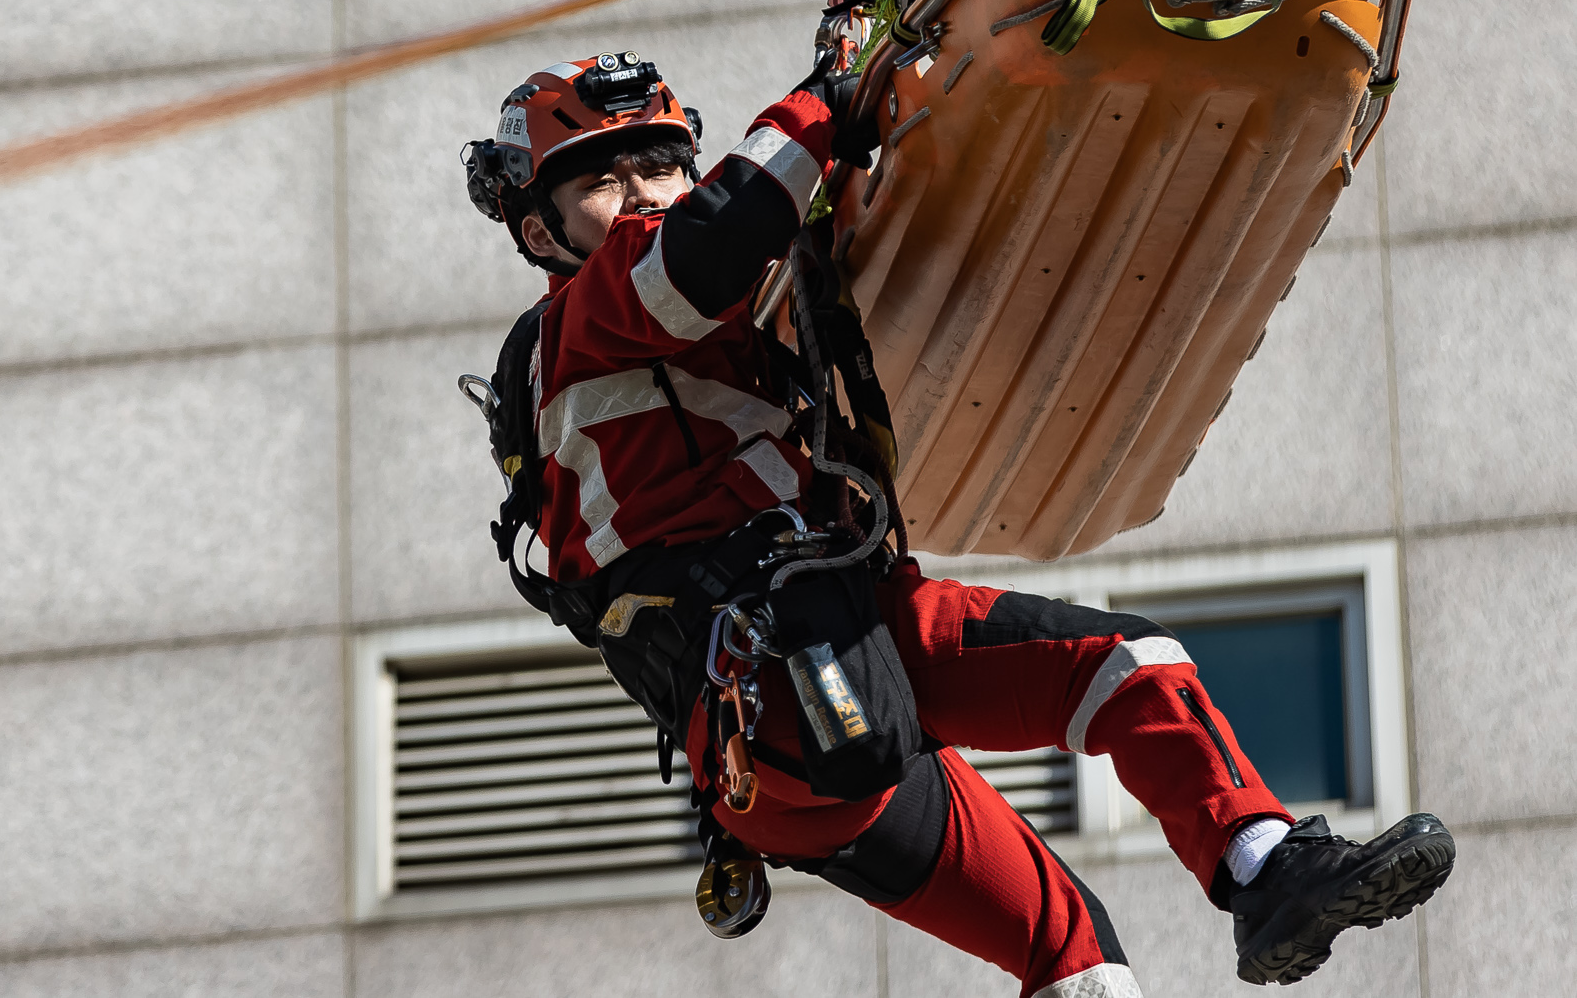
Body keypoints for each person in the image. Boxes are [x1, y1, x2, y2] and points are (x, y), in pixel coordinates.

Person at [459, 52, 1452, 997]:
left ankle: (1236, 887)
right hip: (787, 666)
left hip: (785, 742)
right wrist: (825, 100)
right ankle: (1264, 863)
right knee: (1126, 665)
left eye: (664, 162)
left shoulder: (648, 342)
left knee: (1068, 945)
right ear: (539, 231)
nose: (644, 190)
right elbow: (714, 241)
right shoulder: (589, 310)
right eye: (603, 177)